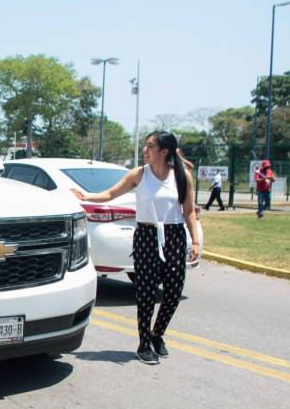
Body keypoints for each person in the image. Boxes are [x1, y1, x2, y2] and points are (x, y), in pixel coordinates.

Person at [72, 130, 200, 365]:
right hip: (146, 235)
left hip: (174, 235)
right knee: (147, 292)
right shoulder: (139, 175)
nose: (145, 150)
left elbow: (188, 210)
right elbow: (111, 193)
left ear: (164, 151)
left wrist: (196, 241)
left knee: (172, 292)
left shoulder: (182, 176)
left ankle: (157, 333)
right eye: (145, 145)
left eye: (150, 146)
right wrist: (86, 196)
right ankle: (143, 343)